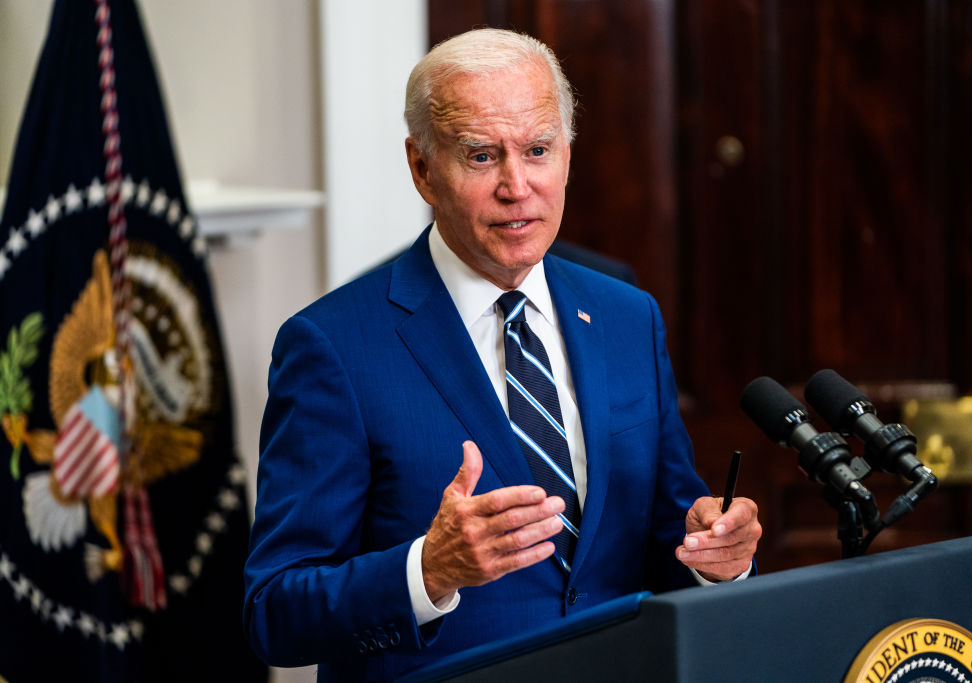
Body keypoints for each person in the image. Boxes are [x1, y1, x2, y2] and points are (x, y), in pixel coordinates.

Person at [243, 28, 761, 682]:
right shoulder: (333, 346)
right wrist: (427, 570)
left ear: (568, 155)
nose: (517, 186)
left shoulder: (628, 314)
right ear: (422, 168)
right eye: (482, 156)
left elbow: (669, 535)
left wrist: (717, 557)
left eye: (537, 150)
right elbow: (273, 611)